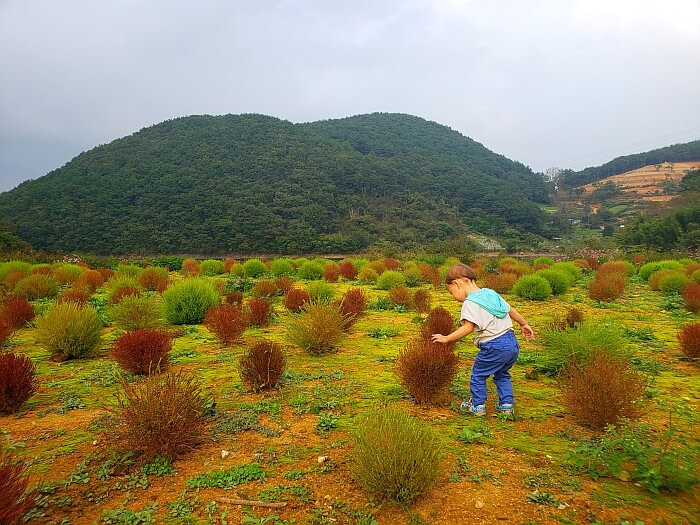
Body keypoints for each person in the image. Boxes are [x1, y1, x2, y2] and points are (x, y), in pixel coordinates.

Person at [431, 263, 534, 416]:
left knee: (478, 374)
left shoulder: (470, 302)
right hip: (512, 343)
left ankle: (477, 406)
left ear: (457, 284)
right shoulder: (491, 293)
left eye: (452, 293)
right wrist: (524, 324)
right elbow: (511, 311)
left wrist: (447, 338)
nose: (454, 298)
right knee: (502, 374)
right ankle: (506, 406)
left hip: (494, 345)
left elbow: (468, 327)